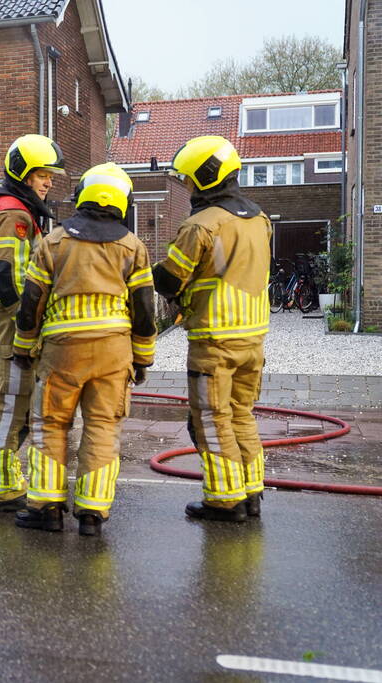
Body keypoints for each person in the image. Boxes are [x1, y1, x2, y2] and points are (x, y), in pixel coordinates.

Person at [12, 163, 156, 536]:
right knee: (103, 427)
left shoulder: (54, 242)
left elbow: (31, 303)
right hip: (113, 354)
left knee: (51, 426)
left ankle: (47, 508)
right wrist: (142, 358)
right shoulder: (133, 246)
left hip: (62, 353)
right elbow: (144, 308)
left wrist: (23, 348)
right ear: (123, 202)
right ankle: (92, 513)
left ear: (82, 197)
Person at [152, 136, 272, 523]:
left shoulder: (201, 225)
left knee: (211, 419)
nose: (187, 186)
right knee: (242, 415)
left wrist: (145, 270)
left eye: (189, 178)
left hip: (214, 341)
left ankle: (224, 500)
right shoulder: (260, 220)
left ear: (205, 176)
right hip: (253, 339)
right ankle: (251, 493)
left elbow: (170, 279)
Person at [0, 134, 63, 513]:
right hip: (6, 323)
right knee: (9, 404)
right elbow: (6, 275)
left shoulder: (11, 209)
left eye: (50, 176)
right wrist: (28, 326)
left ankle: (4, 477)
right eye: (42, 174)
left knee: (16, 404)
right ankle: (0, 488)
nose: (48, 182)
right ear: (23, 173)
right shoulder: (13, 214)